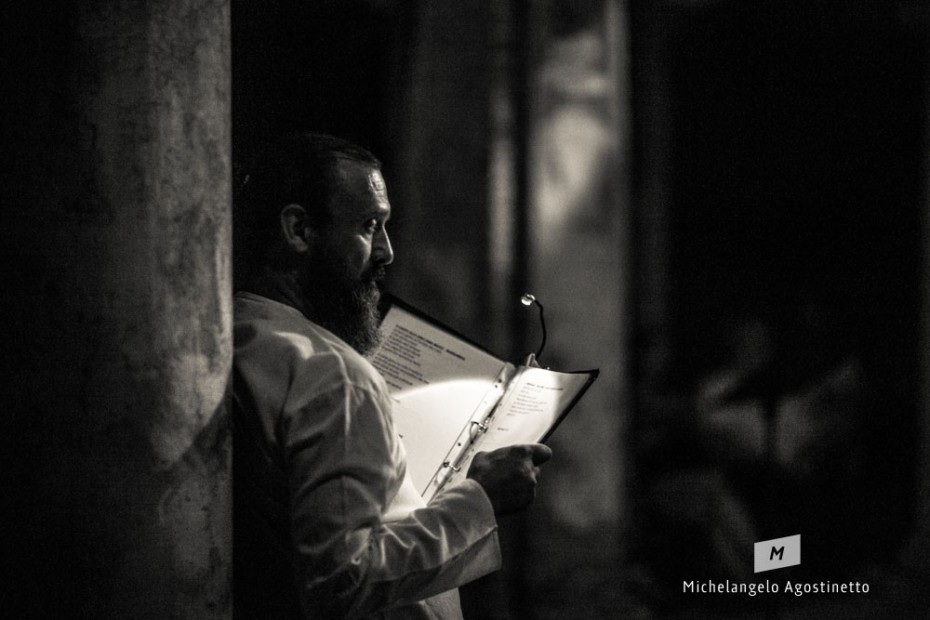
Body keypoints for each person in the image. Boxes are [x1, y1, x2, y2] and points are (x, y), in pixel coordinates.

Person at [232, 132, 552, 619]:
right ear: (299, 230)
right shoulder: (331, 374)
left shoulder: (230, 333)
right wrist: (482, 498)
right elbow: (345, 579)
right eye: (369, 225)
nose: (387, 252)